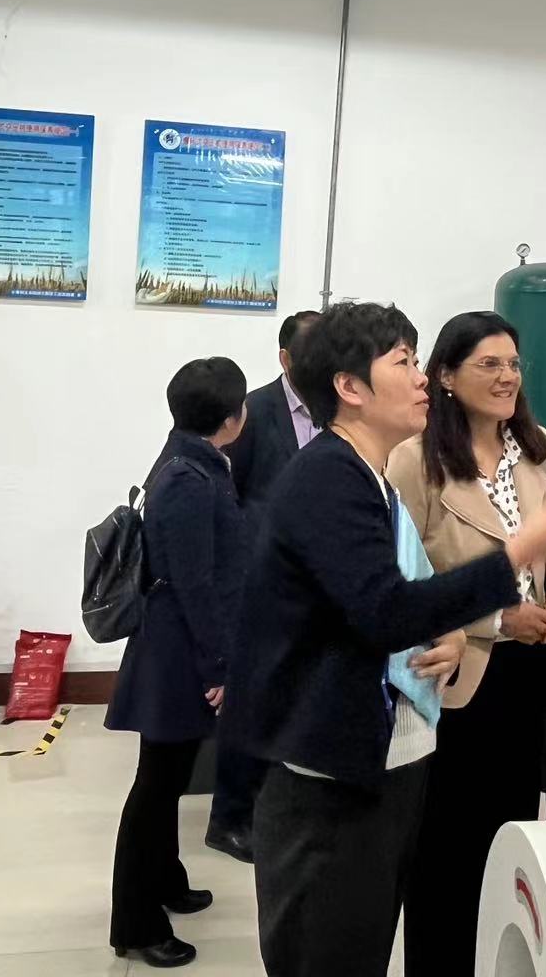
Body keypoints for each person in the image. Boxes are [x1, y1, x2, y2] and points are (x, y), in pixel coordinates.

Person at [231, 302, 546, 977]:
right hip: (332, 778)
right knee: (337, 945)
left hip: (385, 754)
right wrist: (518, 554)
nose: (421, 377)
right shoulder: (331, 477)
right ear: (350, 386)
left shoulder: (363, 476)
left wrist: (449, 628)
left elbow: (398, 592)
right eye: (404, 362)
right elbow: (386, 610)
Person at [389, 312, 546, 977]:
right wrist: (498, 622)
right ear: (445, 375)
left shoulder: (534, 447)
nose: (507, 378)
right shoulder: (414, 459)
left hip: (530, 674)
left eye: (513, 364)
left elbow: (541, 546)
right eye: (489, 365)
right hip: (458, 677)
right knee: (445, 852)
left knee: (507, 841)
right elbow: (406, 583)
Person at [107, 356, 249, 970]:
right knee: (156, 787)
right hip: (178, 654)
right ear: (233, 417)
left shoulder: (185, 458)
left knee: (165, 779)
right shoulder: (190, 478)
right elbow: (195, 582)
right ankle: (135, 924)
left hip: (177, 643)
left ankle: (166, 880)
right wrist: (218, 667)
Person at [205, 308, 322, 864]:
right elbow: (230, 495)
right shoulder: (254, 412)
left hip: (318, 583)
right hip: (262, 578)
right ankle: (229, 817)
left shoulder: (341, 407)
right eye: (312, 355)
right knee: (250, 698)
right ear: (285, 359)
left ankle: (280, 803)